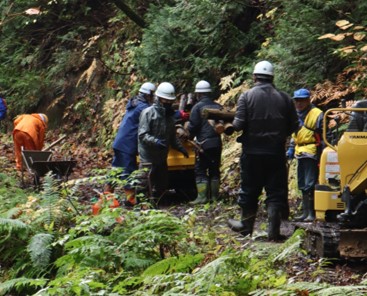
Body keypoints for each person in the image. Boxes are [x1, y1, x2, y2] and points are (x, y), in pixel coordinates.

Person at [227, 61, 298, 241]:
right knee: (275, 191)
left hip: (252, 153)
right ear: (272, 77)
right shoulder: (285, 99)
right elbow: (294, 125)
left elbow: (238, 124)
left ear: (255, 77)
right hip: (275, 152)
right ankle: (273, 232)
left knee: (249, 189)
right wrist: (279, 136)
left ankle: (246, 227)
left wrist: (227, 126)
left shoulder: (246, 96)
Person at [138, 82, 189, 201]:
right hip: (148, 155)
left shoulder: (170, 118)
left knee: (162, 183)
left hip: (161, 156)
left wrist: (182, 149)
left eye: (170, 101)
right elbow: (142, 135)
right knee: (143, 182)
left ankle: (156, 202)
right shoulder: (148, 113)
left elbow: (172, 138)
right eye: (165, 101)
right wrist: (155, 141)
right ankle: (141, 205)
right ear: (159, 99)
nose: (168, 104)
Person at [108, 82, 156, 206]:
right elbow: (156, 114)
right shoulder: (142, 108)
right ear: (148, 95)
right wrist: (178, 114)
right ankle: (131, 200)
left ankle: (106, 196)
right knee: (128, 172)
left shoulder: (134, 103)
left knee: (116, 170)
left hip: (120, 142)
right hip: (127, 145)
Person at [286, 88, 323, 222]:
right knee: (302, 183)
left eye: (302, 100)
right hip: (299, 151)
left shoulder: (317, 114)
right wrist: (291, 148)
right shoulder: (295, 114)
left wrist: (322, 153)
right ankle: (305, 213)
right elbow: (294, 134)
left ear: (308, 100)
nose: (299, 103)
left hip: (312, 152)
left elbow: (324, 135)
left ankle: (312, 213)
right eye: (297, 100)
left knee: (310, 183)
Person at [187, 80, 222, 204]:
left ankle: (202, 198)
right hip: (217, 143)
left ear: (198, 94)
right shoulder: (218, 106)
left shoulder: (197, 107)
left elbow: (193, 126)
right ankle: (214, 198)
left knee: (200, 169)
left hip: (203, 144)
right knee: (214, 169)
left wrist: (188, 136)